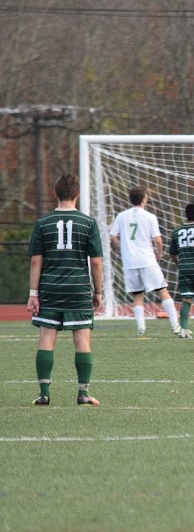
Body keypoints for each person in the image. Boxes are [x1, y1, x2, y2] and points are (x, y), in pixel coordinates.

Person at [27, 173, 104, 406]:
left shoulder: (43, 223)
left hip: (50, 289)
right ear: (77, 194)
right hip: (78, 290)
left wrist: (33, 293)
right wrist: (98, 292)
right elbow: (97, 262)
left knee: (46, 339)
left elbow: (35, 261)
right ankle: (83, 393)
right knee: (82, 340)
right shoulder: (88, 223)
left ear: (55, 193)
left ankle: (43, 394)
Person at [108, 185, 181, 336]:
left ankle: (141, 328)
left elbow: (112, 236)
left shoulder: (122, 216)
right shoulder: (149, 217)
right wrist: (159, 253)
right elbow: (158, 240)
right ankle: (175, 326)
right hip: (147, 259)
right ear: (144, 199)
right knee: (162, 291)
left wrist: (121, 249)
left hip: (130, 262)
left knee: (138, 295)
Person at [168, 202, 194, 338]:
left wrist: (179, 264)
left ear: (185, 215)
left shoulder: (177, 232)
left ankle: (183, 329)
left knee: (186, 299)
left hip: (184, 268)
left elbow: (172, 253)